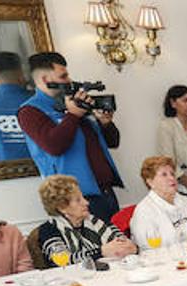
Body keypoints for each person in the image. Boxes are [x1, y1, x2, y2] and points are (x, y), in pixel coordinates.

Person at [18, 52, 124, 222]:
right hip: (74, 200)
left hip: (105, 191)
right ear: (45, 79)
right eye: (63, 76)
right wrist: (73, 115)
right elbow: (54, 146)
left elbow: (112, 142)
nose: (69, 80)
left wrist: (105, 123)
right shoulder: (30, 112)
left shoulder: (72, 104)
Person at [36, 175, 136, 266]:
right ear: (62, 207)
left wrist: (129, 246)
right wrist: (101, 252)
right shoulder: (49, 230)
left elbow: (123, 240)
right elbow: (63, 261)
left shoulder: (95, 220)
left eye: (83, 197)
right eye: (78, 200)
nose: (86, 202)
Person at [129, 156, 187, 251]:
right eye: (164, 175)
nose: (171, 178)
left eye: (172, 174)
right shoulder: (143, 211)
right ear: (150, 182)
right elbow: (147, 249)